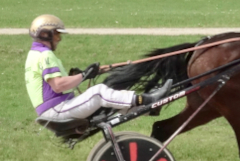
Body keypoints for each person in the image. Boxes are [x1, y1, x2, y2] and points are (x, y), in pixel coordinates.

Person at [25, 15, 172, 121]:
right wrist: (84, 76)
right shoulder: (44, 55)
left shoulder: (35, 54)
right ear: (45, 35)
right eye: (57, 36)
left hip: (55, 108)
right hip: (56, 110)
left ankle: (149, 108)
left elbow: (60, 83)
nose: (59, 40)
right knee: (99, 92)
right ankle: (147, 99)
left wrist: (95, 71)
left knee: (110, 99)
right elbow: (58, 85)